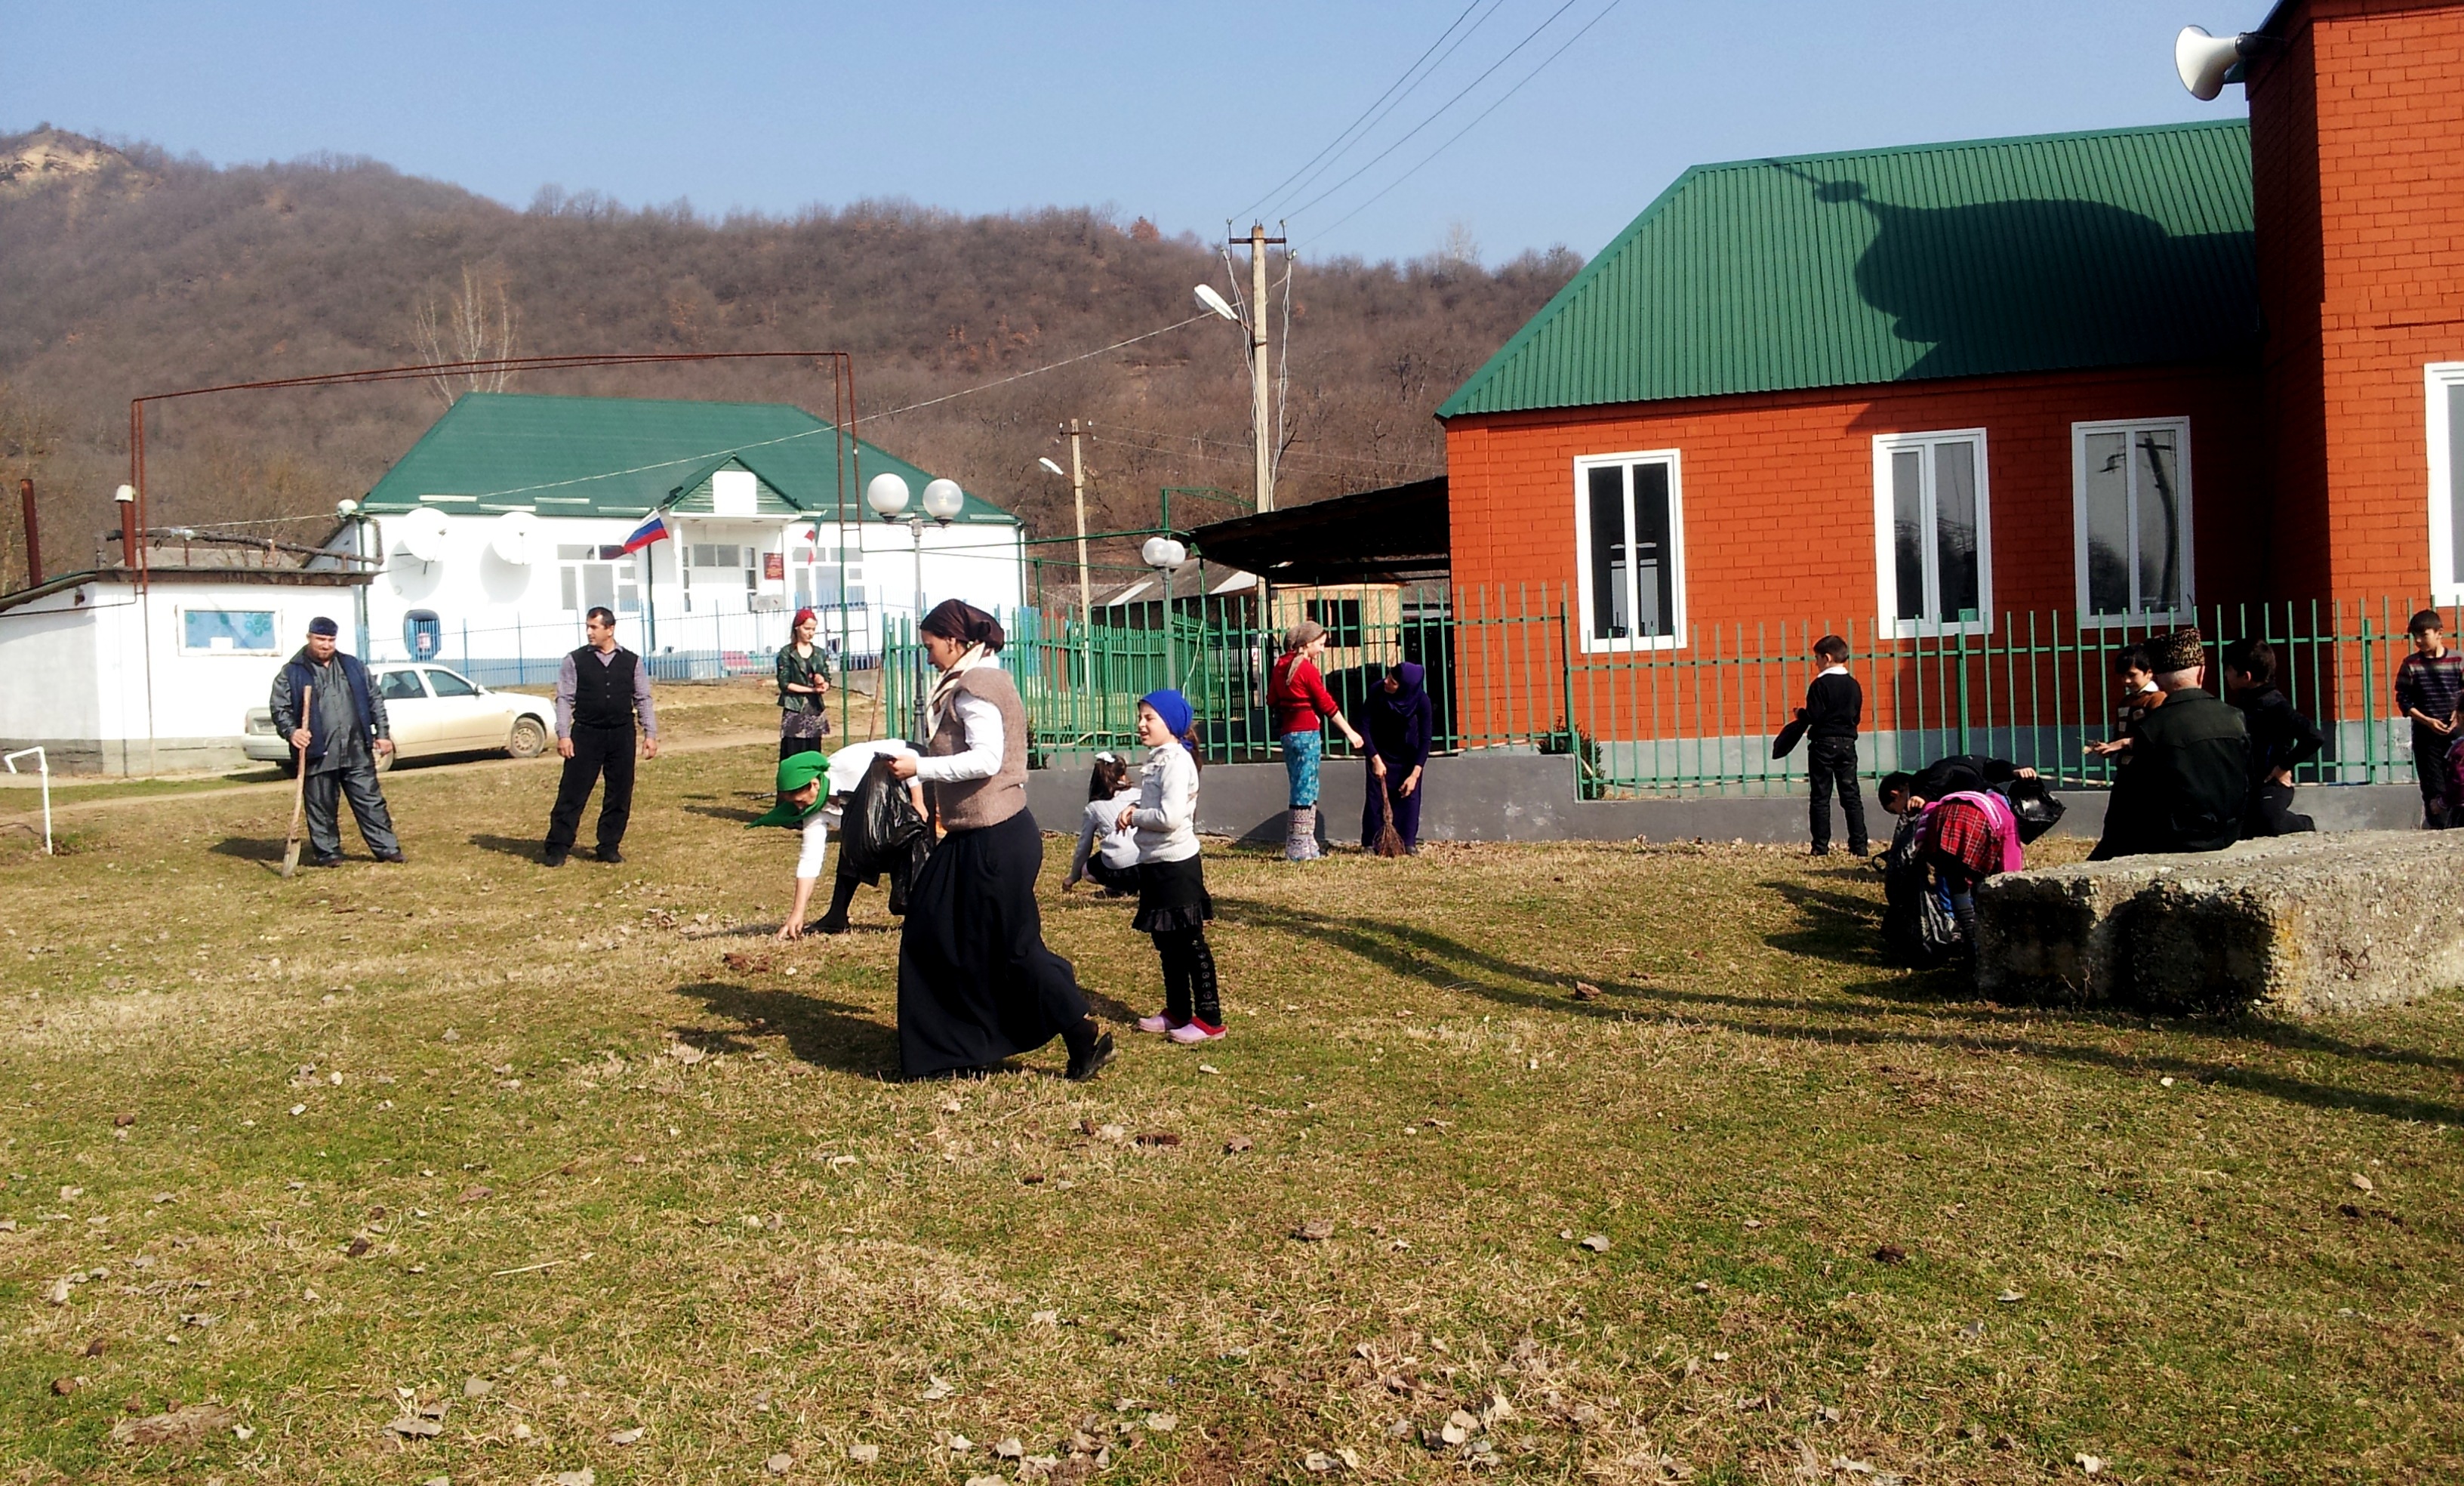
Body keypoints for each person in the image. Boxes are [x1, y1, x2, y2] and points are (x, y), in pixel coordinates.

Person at [887, 600, 1112, 1081]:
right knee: (939, 933)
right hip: (981, 835)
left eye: (930, 647)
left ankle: (1081, 1037)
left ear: (954, 641)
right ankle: (959, 1045)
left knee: (1013, 950)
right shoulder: (991, 677)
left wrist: (919, 768)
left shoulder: (974, 688)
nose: (927, 657)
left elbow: (986, 760)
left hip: (995, 840)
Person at [2089, 627, 2248, 859]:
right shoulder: (2235, 717)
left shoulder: (2155, 725)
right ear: (2202, 673)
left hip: (2174, 837)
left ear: (2158, 677)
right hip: (2229, 832)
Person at [1120, 690, 1221, 1043]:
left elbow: (1170, 816)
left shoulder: (1177, 761)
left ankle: (1210, 1018)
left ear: (1171, 724)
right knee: (1166, 942)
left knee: (1190, 942)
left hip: (1177, 866)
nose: (1141, 725)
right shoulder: (1160, 759)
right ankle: (1177, 1010)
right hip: (1155, 864)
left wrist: (1135, 815)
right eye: (1141, 717)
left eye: (1149, 718)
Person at [267, 616, 405, 867]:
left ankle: (387, 849)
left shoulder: (352, 666)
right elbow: (280, 709)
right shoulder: (293, 672)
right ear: (309, 637)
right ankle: (328, 853)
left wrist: (383, 734)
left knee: (371, 802)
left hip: (356, 749)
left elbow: (375, 700)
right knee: (321, 806)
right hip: (318, 752)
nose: (326, 645)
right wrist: (292, 732)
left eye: (331, 640)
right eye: (321, 639)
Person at [769, 738, 927, 939]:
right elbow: (810, 859)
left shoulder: (848, 765)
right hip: (881, 796)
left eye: (800, 801)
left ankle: (919, 915)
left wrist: (918, 802)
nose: (800, 808)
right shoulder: (814, 807)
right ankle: (836, 916)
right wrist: (797, 913)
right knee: (853, 842)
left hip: (915, 776)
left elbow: (906, 755)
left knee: (910, 842)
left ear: (814, 784)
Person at [544, 606, 660, 867]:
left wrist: (650, 734)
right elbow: (564, 698)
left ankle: (608, 845)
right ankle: (558, 847)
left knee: (619, 792)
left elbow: (643, 699)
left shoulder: (632, 661)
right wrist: (564, 734)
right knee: (572, 792)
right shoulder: (574, 660)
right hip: (586, 733)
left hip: (621, 734)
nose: (588, 632)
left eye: (594, 627)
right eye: (587, 626)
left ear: (610, 629)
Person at [1267, 621, 1367, 860]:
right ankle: (1298, 847)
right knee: (1307, 788)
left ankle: (1307, 843)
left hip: (1288, 734)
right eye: (1320, 644)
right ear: (1306, 644)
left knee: (1299, 785)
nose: (1322, 650)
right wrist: (1350, 732)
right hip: (1307, 734)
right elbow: (1327, 704)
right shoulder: (1306, 669)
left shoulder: (1280, 666)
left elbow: (1272, 699)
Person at [2222, 637, 2324, 837]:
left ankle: (2304, 824)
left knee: (2269, 822)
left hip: (2271, 784)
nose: (2226, 674)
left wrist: (2283, 766)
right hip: (2244, 785)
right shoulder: (2241, 703)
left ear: (2246, 676)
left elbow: (2314, 737)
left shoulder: (2275, 706)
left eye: (2229, 669)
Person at [1354, 660, 1434, 853]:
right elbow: (1364, 726)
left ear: (1406, 687)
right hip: (1379, 751)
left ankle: (1407, 842)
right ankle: (1370, 843)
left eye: (1394, 681)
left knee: (1409, 796)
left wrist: (1414, 774)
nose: (1386, 682)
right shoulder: (1377, 691)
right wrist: (1375, 759)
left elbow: (1425, 739)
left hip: (1408, 754)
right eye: (1389, 676)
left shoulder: (1421, 701)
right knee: (1376, 797)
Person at [1799, 634, 1868, 858]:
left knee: (1821, 796)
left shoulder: (1820, 685)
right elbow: (1856, 716)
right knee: (1851, 795)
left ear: (1827, 658)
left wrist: (1801, 714)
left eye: (1817, 658)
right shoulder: (1854, 685)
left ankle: (1820, 846)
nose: (1815, 663)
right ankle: (1859, 845)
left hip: (1823, 744)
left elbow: (1815, 716)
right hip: (1848, 743)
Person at [2395, 608, 2462, 828]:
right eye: (2415, 635)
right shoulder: (2411, 664)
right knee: (2433, 784)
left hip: (2457, 731)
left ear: (2439, 633)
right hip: (2426, 734)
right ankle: (2438, 827)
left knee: (2459, 778)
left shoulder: (2458, 660)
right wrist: (2426, 720)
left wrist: (2457, 714)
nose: (2418, 640)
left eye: (2424, 634)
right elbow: (2404, 700)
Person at [1062, 751, 1141, 896]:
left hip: (1119, 864)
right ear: (1123, 775)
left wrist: (1073, 876)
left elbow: (1084, 847)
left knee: (1087, 870)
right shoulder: (1140, 794)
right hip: (1148, 860)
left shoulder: (1093, 807)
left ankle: (1120, 887)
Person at [1877, 755, 2038, 816]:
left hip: (1980, 813)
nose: (1902, 814)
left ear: (1895, 794)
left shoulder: (1928, 777)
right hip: (1998, 809)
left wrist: (2015, 771)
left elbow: (1989, 766)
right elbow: (1990, 766)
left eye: (1894, 810)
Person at [2084, 644, 2163, 762]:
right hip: (2125, 770)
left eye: (2132, 675)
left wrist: (2124, 743)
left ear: (2149, 672)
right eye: (2122, 676)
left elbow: (2158, 738)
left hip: (2148, 770)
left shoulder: (2158, 699)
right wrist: (2108, 747)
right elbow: (2119, 737)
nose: (2127, 681)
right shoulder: (2125, 702)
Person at [775, 607, 835, 760]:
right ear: (797, 628)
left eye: (813, 629)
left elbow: (827, 677)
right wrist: (812, 690)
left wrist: (823, 683)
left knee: (813, 754)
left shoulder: (819, 653)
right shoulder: (787, 653)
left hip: (815, 710)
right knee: (793, 753)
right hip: (795, 709)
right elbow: (785, 683)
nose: (810, 633)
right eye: (807, 628)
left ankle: (813, 783)